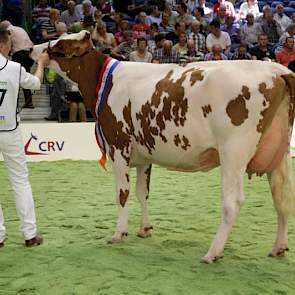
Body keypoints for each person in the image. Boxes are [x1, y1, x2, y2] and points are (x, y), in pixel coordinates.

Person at [0, 27, 49, 247]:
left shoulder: (12, 65)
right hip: (10, 131)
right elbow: (36, 84)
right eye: (9, 42)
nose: (11, 46)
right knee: (20, 181)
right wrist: (41, 64)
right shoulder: (13, 68)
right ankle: (29, 234)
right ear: (2, 44)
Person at [0, 21, 35, 109]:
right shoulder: (20, 28)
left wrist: (6, 56)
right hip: (29, 54)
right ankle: (29, 102)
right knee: (24, 76)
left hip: (20, 54)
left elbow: (8, 43)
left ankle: (13, 102)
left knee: (15, 78)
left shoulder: (8, 30)